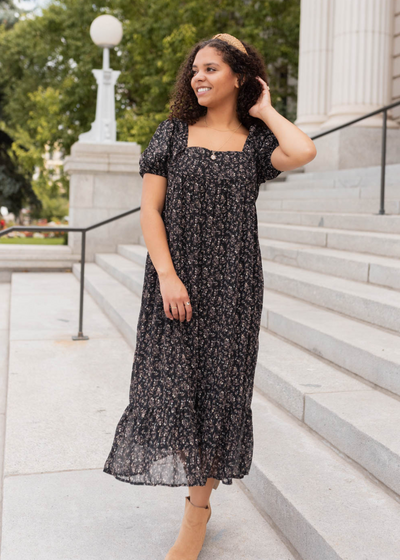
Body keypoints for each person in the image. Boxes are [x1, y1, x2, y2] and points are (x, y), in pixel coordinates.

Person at [103, 32, 316, 559]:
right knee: (172, 393)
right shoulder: (173, 133)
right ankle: (196, 497)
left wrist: (265, 109)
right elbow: (150, 212)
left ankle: (196, 514)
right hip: (175, 286)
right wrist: (168, 276)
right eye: (195, 69)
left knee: (221, 398)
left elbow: (304, 150)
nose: (198, 76)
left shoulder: (256, 142)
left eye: (212, 68)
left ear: (239, 77)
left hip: (235, 287)